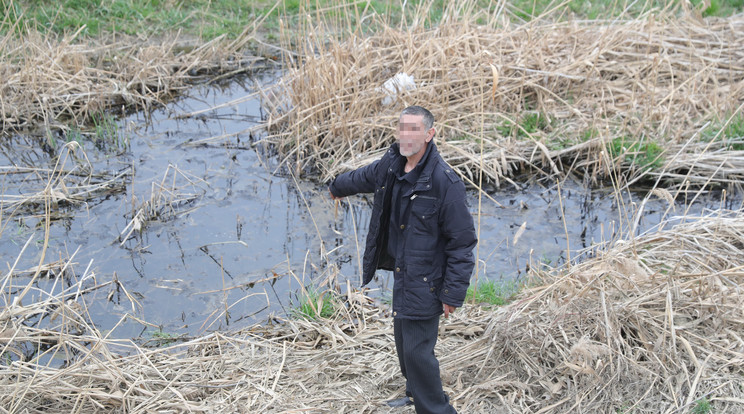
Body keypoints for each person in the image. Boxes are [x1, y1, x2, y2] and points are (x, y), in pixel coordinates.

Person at [328, 106, 477, 413]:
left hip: (427, 279)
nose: (406, 135)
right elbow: (364, 177)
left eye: (414, 129)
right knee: (403, 342)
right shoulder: (392, 165)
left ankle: (436, 409)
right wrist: (337, 187)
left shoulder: (444, 182)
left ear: (429, 134)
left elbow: (462, 243)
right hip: (403, 272)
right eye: (402, 128)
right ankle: (413, 393)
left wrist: (452, 293)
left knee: (418, 351)